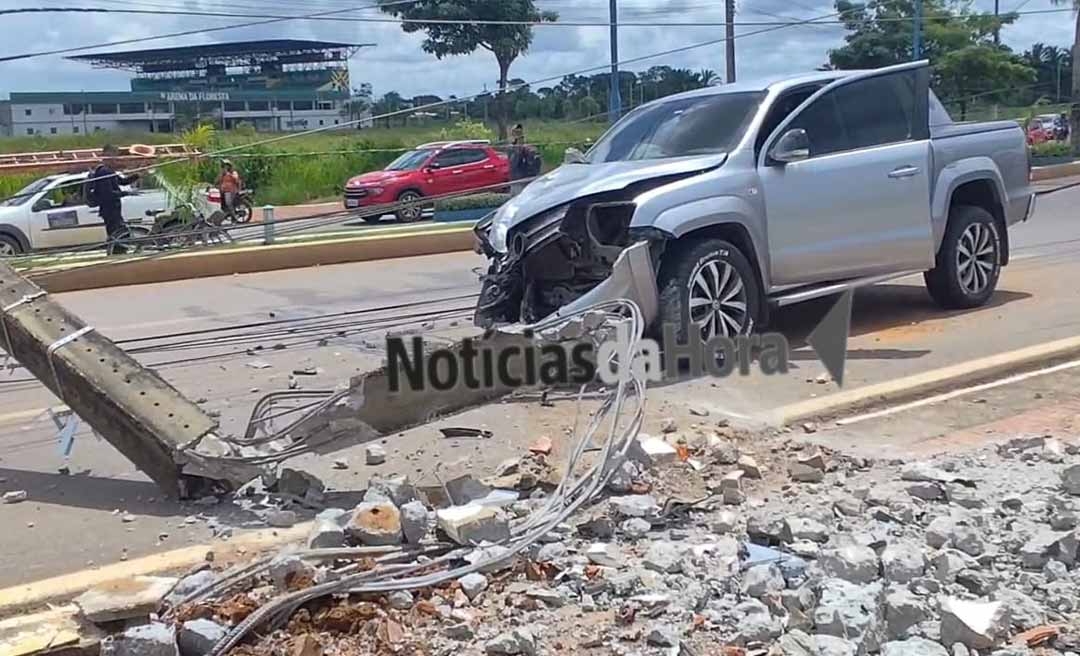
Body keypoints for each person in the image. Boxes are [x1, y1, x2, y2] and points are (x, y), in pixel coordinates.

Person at [88, 144, 139, 255]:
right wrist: (126, 193)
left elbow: (122, 181)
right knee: (118, 234)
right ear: (106, 155)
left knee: (119, 234)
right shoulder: (103, 171)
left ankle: (118, 252)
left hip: (113, 208)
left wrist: (137, 175)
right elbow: (108, 194)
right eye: (113, 156)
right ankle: (116, 254)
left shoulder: (109, 170)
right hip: (109, 209)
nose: (115, 159)